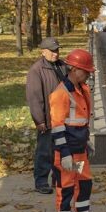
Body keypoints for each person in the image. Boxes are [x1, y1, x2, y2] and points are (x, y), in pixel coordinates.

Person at [49, 49, 101, 212]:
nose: (88, 74)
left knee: (84, 187)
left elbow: (83, 121)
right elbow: (57, 126)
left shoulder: (83, 89)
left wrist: (87, 142)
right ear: (74, 69)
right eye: (85, 71)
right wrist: (64, 154)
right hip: (66, 154)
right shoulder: (60, 94)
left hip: (79, 152)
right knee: (66, 191)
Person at [25, 37, 67, 194]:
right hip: (48, 120)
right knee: (45, 152)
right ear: (43, 51)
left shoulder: (62, 65)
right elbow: (34, 98)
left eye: (57, 50)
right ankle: (41, 182)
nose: (55, 54)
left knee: (61, 150)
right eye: (52, 51)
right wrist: (39, 120)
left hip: (63, 117)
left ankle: (59, 180)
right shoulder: (36, 71)